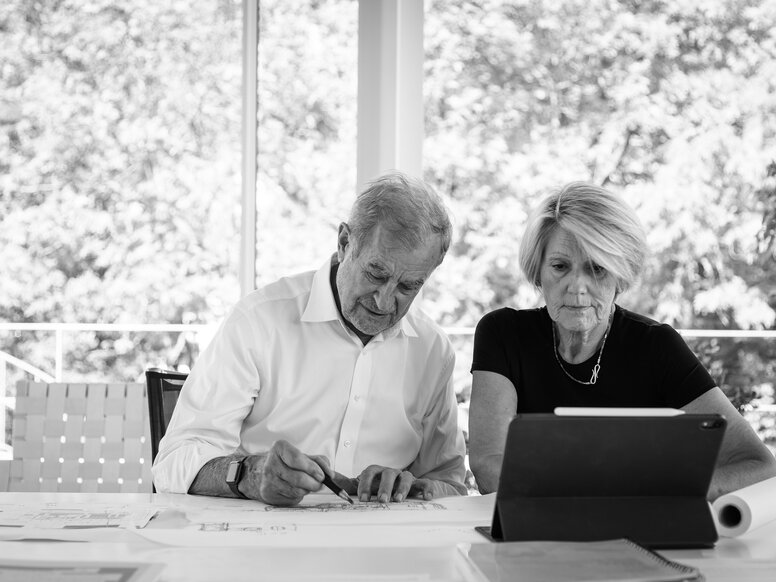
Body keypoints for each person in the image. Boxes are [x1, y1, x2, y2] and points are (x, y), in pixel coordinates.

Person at [152, 171, 467, 506]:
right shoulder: (258, 321)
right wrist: (249, 475)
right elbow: (173, 463)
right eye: (376, 274)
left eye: (408, 286)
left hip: (383, 535)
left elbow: (450, 483)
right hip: (261, 532)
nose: (384, 301)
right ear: (344, 243)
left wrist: (414, 487)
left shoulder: (432, 350)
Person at [468, 181, 776, 500]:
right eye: (560, 267)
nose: (577, 286)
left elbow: (760, 466)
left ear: (621, 274)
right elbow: (489, 466)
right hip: (532, 524)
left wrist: (662, 491)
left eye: (597, 269)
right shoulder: (503, 333)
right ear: (538, 271)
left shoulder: (656, 346)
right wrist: (606, 491)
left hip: (638, 522)